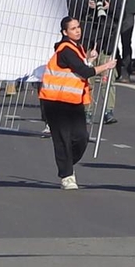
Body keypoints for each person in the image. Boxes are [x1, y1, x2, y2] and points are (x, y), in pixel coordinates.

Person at [38, 17, 116, 190]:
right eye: (73, 28)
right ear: (65, 32)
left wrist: (89, 58)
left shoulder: (77, 48)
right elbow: (84, 72)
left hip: (73, 100)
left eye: (78, 27)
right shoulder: (65, 49)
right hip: (55, 101)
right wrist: (106, 66)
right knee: (62, 139)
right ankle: (66, 175)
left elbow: (78, 69)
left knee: (81, 137)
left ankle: (67, 164)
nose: (77, 31)